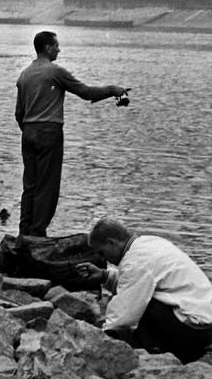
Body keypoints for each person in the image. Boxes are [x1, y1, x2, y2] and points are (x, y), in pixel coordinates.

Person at [15, 31, 128, 237]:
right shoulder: (55, 72)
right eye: (56, 46)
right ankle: (37, 234)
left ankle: (24, 233)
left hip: (28, 133)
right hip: (50, 132)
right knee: (47, 186)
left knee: (30, 185)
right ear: (48, 48)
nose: (59, 49)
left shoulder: (24, 74)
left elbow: (19, 113)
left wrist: (30, 132)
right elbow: (86, 93)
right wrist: (112, 90)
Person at [89, 218, 212, 363]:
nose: (105, 259)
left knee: (139, 305)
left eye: (102, 253)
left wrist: (100, 338)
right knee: (142, 293)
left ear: (112, 242)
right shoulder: (149, 243)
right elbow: (133, 278)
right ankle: (171, 348)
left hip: (195, 331)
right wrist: (104, 276)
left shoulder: (137, 259)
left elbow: (123, 315)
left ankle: (156, 352)